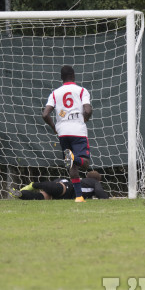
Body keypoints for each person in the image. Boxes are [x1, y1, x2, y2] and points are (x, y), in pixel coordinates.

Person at [42, 65, 92, 202]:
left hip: (62, 132)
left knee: (71, 165)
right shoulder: (82, 91)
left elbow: (45, 114)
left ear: (61, 78)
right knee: (85, 162)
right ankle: (74, 157)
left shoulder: (54, 93)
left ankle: (79, 196)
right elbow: (87, 110)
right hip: (78, 131)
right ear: (74, 76)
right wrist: (84, 119)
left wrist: (54, 127)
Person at [9, 171, 109, 200]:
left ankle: (20, 194)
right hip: (68, 190)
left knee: (41, 197)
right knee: (59, 188)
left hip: (67, 193)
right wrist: (106, 198)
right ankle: (34, 185)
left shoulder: (84, 181)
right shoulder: (94, 182)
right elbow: (100, 192)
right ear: (98, 180)